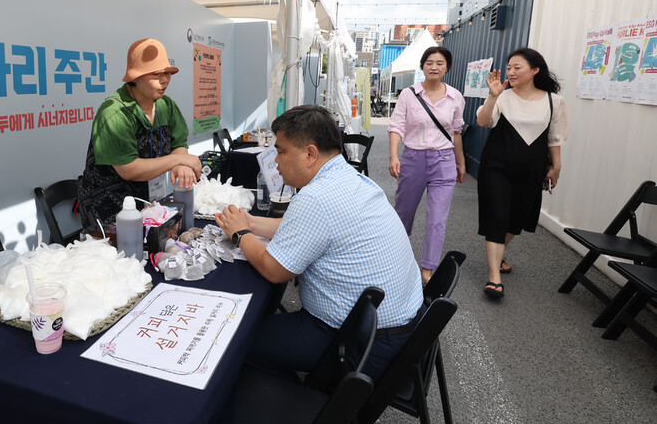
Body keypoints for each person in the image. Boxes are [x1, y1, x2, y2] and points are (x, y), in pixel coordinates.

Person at [215, 105, 424, 382]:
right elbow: (306, 230)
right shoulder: (351, 178)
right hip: (401, 328)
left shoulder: (315, 198)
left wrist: (240, 235)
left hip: (361, 344)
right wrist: (251, 223)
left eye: (281, 151)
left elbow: (273, 269)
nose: (276, 161)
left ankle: (290, 412)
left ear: (310, 154)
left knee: (237, 340)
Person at [78, 38, 202, 230]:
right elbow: (129, 169)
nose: (164, 80)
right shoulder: (114, 113)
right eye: (155, 74)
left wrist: (182, 163)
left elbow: (179, 143)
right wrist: (178, 161)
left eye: (167, 73)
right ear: (134, 77)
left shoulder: (166, 105)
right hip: (109, 210)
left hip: (147, 201)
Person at [476, 47, 568, 299]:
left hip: (531, 169)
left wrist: (555, 168)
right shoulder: (503, 96)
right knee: (497, 216)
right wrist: (493, 97)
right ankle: (493, 276)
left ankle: (498, 250)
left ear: (535, 70)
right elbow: (483, 121)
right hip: (497, 167)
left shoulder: (554, 101)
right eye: (508, 67)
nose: (511, 72)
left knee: (516, 220)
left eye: (517, 67)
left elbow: (554, 138)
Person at [388, 47, 467, 284]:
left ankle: (427, 269)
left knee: (437, 219)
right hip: (413, 159)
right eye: (429, 62)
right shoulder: (409, 94)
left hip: (444, 160)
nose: (434, 67)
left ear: (447, 68)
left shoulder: (455, 97)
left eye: (440, 63)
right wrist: (394, 156)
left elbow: (456, 132)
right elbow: (397, 126)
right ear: (422, 66)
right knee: (403, 213)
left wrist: (460, 163)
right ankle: (394, 258)